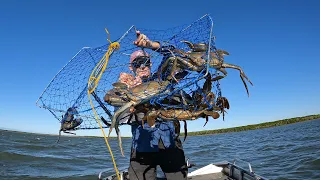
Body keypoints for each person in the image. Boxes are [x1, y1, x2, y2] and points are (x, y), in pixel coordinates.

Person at [118, 31, 188, 180]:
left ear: (150, 64)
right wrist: (130, 103)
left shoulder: (162, 78)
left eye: (146, 62)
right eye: (138, 63)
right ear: (131, 67)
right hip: (141, 146)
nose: (142, 66)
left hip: (170, 143)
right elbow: (122, 118)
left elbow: (175, 55)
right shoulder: (125, 88)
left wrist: (151, 45)